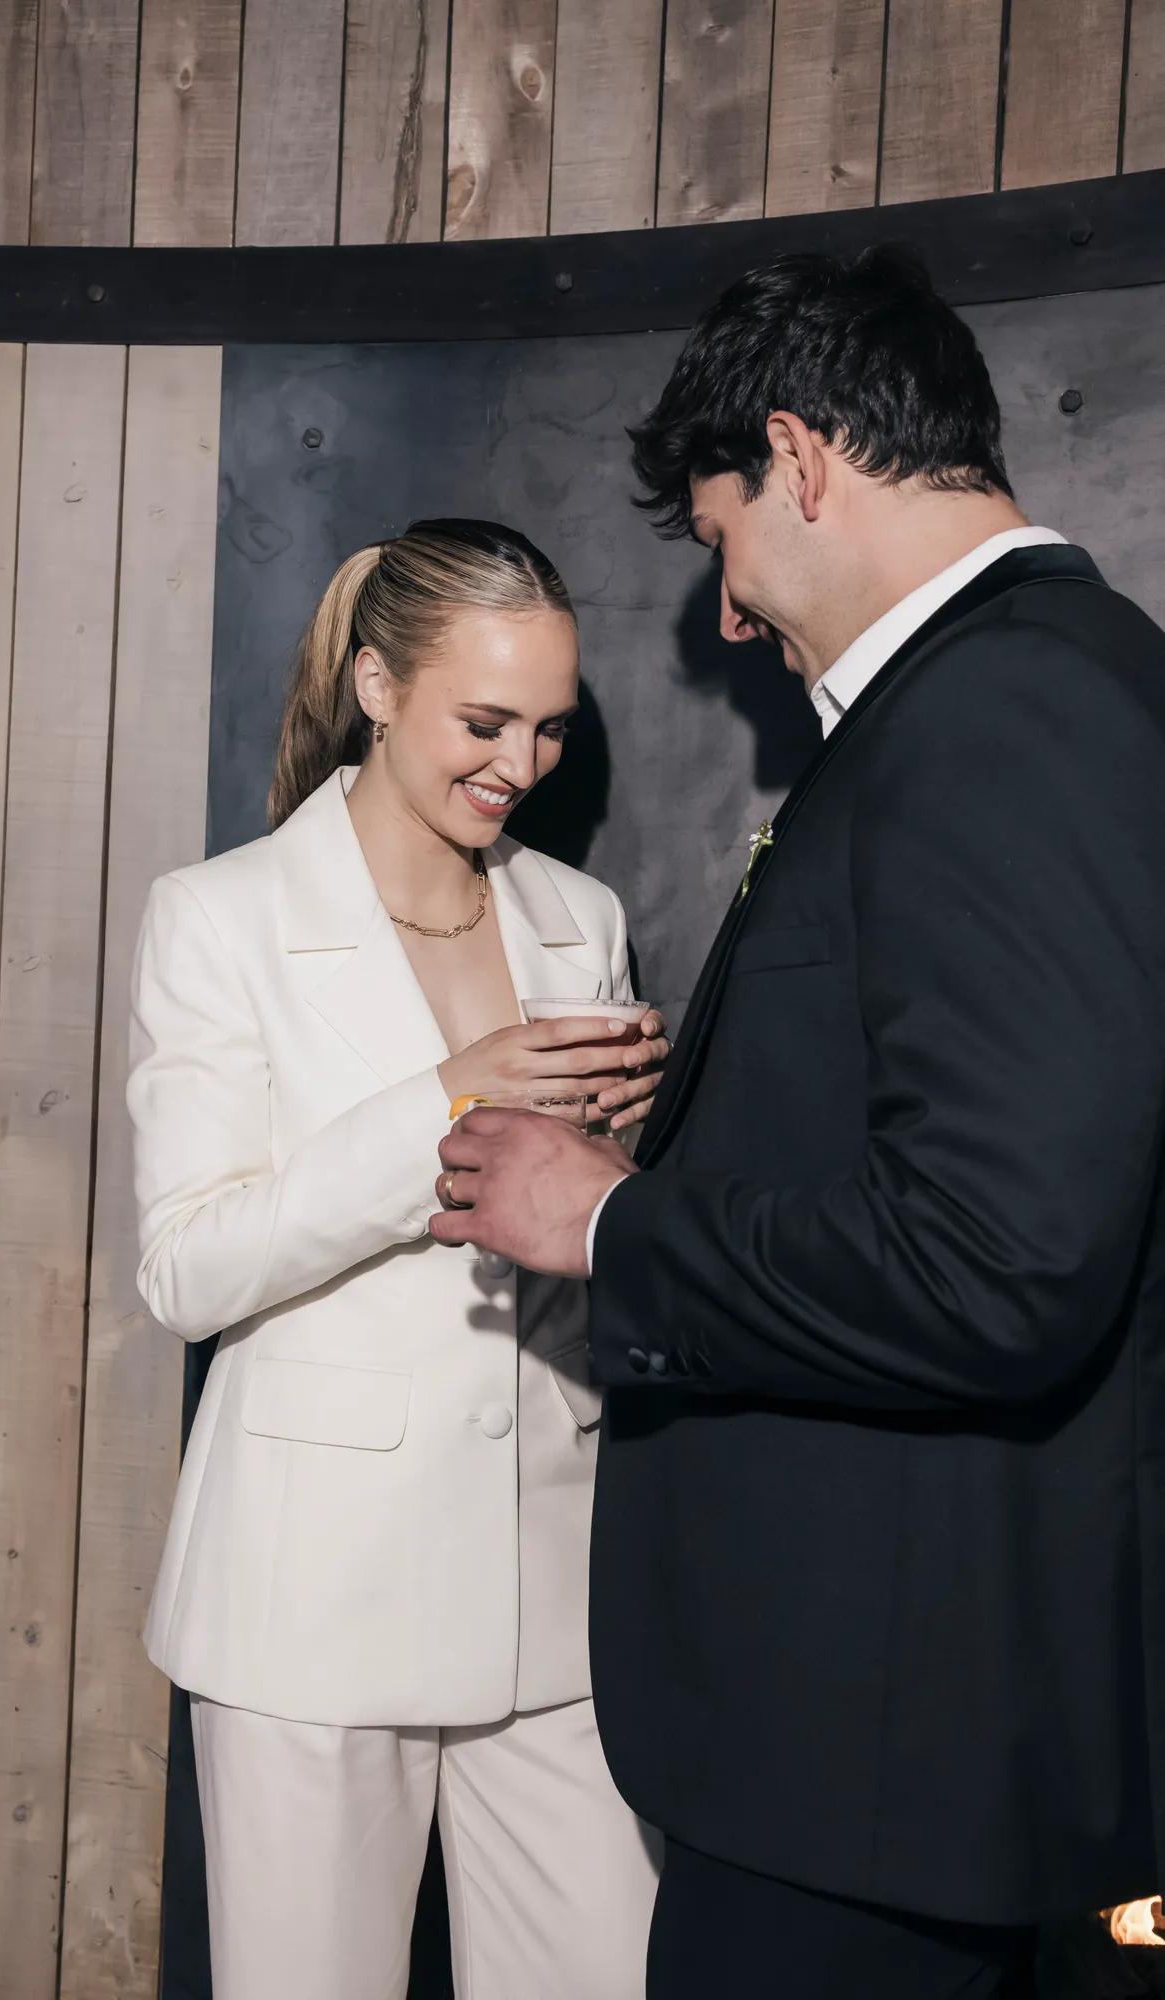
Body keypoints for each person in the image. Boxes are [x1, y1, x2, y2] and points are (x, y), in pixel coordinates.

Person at [431, 251, 1165, 1998]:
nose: (731, 609)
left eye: (715, 539)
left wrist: (607, 1215)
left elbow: (1000, 1260)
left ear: (801, 457)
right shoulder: (1041, 683)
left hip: (890, 1747)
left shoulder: (1007, 708)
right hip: (908, 1737)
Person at [126, 519, 668, 2000]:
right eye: (482, 722)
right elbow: (187, 1267)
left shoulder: (582, 917)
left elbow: (588, 1240)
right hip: (312, 1603)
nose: (521, 764)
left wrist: (627, 1167)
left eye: (550, 728)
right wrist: (449, 1100)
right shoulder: (219, 917)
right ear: (376, 682)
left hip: (554, 1594)